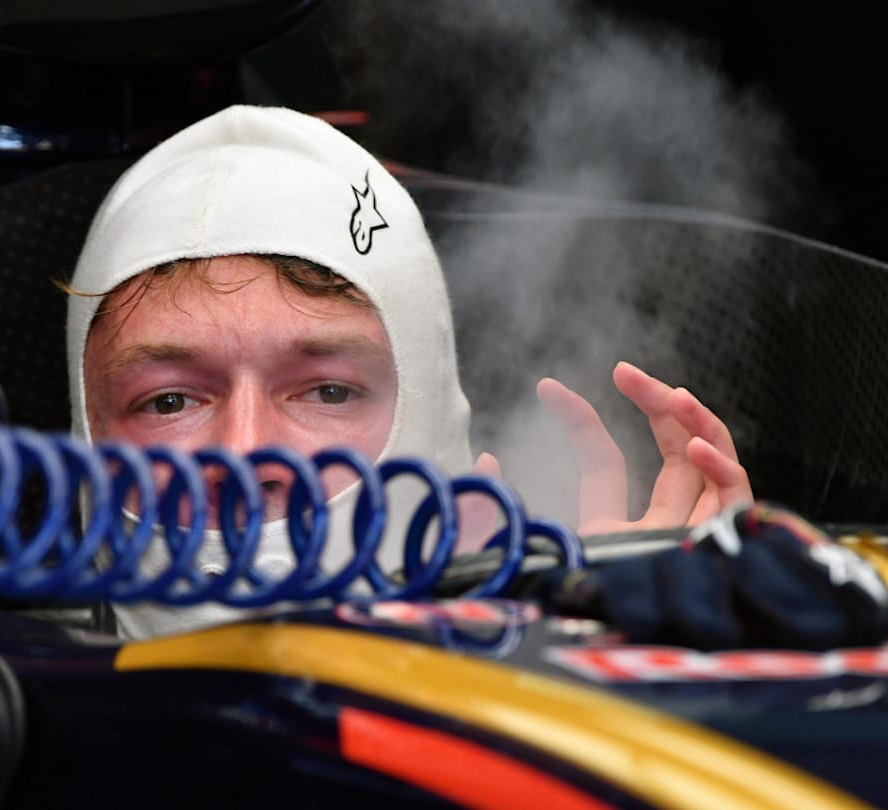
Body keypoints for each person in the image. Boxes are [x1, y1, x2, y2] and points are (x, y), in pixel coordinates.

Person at [65, 104, 751, 639]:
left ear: (427, 426)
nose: (245, 456)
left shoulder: (554, 677)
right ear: (85, 431)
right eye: (170, 402)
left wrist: (619, 673)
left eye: (328, 391)